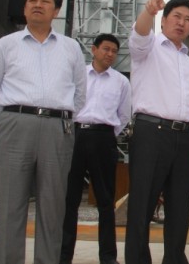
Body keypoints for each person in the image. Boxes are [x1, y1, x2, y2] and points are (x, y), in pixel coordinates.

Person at [0, 0, 87, 264]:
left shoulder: (71, 48)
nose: (38, 4)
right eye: (32, 0)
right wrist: (8, 122)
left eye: (45, 1)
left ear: (56, 10)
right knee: (9, 205)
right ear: (25, 7)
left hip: (57, 128)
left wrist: (62, 122)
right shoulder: (6, 45)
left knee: (53, 206)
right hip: (15, 125)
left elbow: (80, 93)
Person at [124, 0, 189, 264]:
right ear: (163, 20)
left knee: (179, 207)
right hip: (151, 133)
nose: (182, 22)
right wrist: (149, 11)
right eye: (176, 16)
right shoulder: (148, 47)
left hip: (184, 139)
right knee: (142, 204)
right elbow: (139, 33)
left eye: (188, 19)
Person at [60, 33, 132, 264]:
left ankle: (108, 257)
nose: (110, 54)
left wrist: (107, 133)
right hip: (75, 135)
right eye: (106, 49)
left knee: (105, 200)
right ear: (94, 49)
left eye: (114, 51)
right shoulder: (77, 75)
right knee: (70, 199)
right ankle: (63, 256)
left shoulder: (121, 82)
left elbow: (124, 115)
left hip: (104, 137)